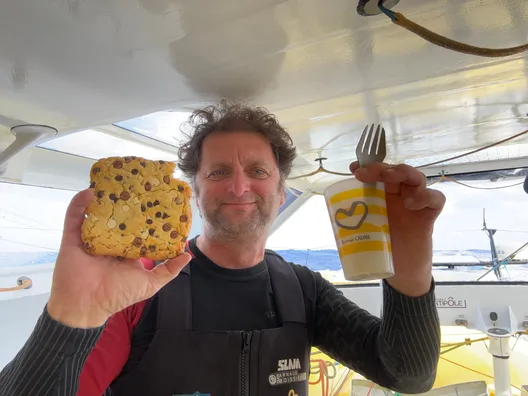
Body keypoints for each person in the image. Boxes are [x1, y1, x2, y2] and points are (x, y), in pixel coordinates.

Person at [0, 101, 445, 396]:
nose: (238, 186)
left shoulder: (304, 290)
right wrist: (71, 314)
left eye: (257, 170)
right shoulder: (134, 291)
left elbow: (407, 372)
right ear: (193, 190)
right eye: (217, 173)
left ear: (281, 188)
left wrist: (410, 259)